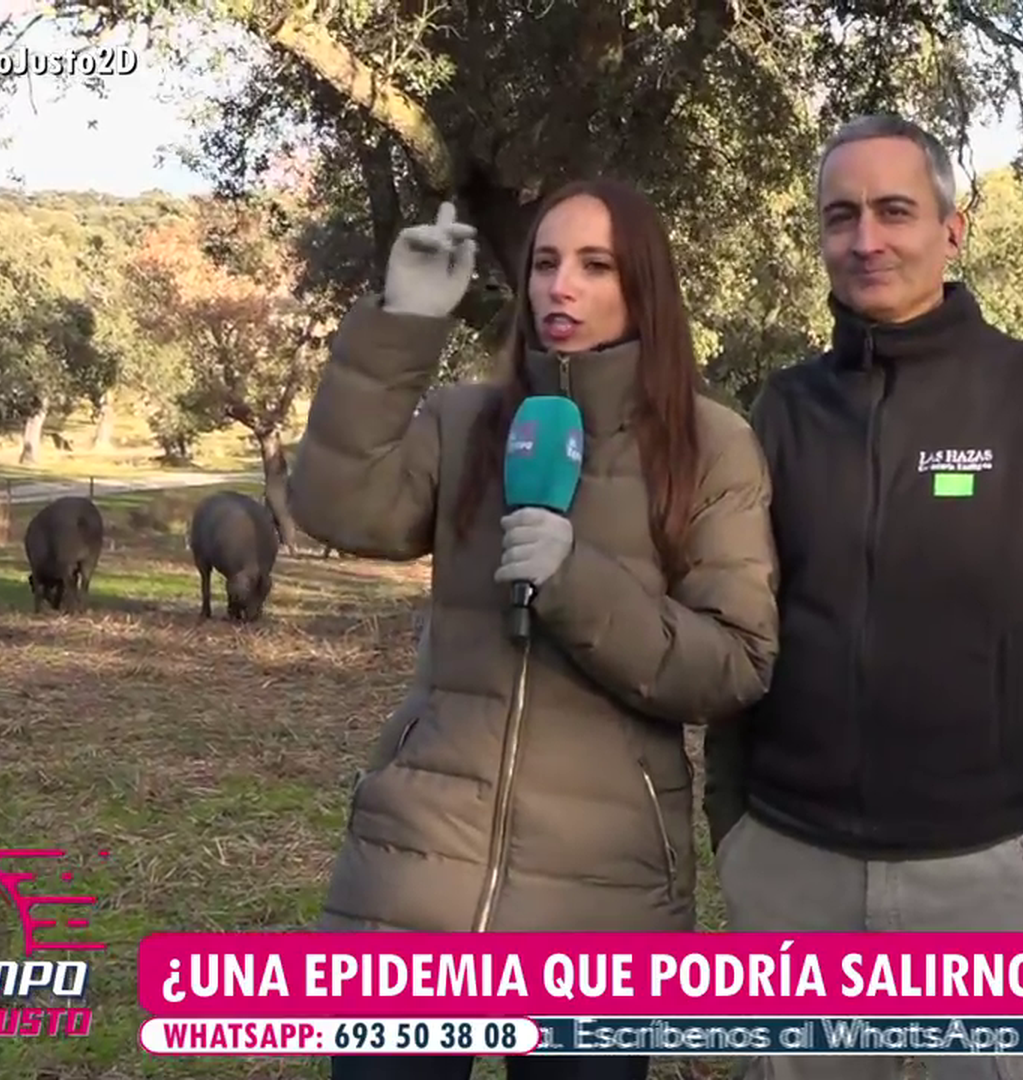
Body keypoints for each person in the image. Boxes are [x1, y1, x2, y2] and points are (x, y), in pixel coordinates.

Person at [289, 179, 781, 1080]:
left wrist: (574, 580)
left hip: (601, 897)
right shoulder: (465, 421)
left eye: (595, 266)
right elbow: (337, 506)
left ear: (644, 288)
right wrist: (403, 320)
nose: (562, 287)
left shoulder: (711, 448)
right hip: (416, 878)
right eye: (547, 263)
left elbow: (734, 663)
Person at [704, 114, 1023, 1080]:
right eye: (841, 216)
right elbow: (749, 622)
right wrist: (732, 822)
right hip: (791, 865)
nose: (867, 240)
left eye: (895, 210)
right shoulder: (783, 408)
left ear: (952, 227)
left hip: (988, 869)